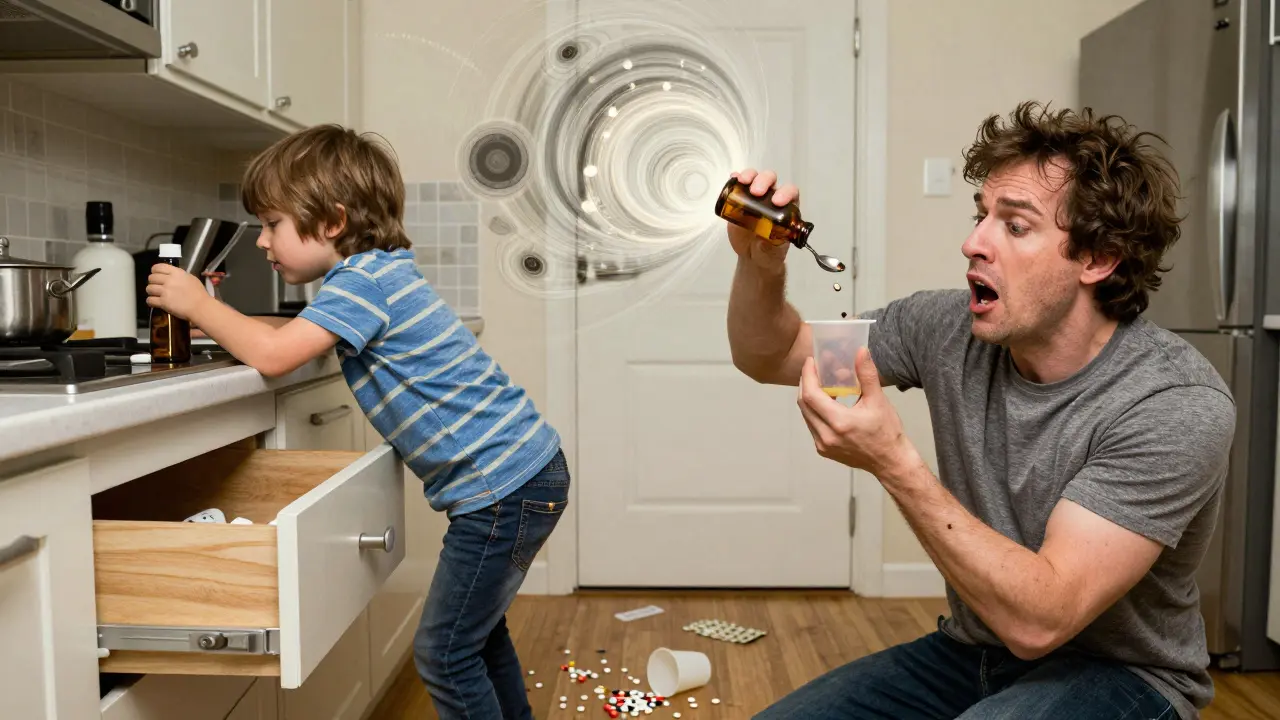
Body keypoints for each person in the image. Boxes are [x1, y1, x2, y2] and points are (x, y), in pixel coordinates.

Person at [726, 101, 1234, 719]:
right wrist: (760, 267)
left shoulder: (1174, 403)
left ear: (1098, 260)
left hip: (1124, 678)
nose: (973, 243)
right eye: (980, 216)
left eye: (1014, 226)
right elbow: (775, 353)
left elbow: (1041, 621)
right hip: (972, 654)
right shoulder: (943, 327)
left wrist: (893, 463)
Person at [146, 125, 566, 720]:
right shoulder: (372, 277)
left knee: (443, 656)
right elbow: (288, 336)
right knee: (476, 640)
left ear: (333, 221)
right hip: (519, 478)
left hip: (504, 490)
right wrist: (221, 313)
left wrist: (200, 306)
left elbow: (273, 354)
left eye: (272, 224)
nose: (263, 242)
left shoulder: (363, 282)